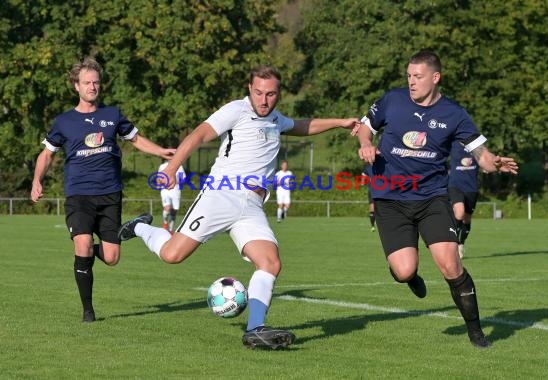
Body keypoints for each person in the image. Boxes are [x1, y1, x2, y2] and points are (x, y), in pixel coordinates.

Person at [118, 65, 360, 349]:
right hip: (221, 196)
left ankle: (255, 329)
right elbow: (198, 134)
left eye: (270, 94)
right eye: (258, 92)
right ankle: (140, 227)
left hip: (253, 205)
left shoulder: (275, 119)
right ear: (249, 90)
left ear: (278, 94)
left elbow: (302, 126)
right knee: (172, 255)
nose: (264, 100)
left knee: (270, 262)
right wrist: (172, 167)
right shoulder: (236, 110)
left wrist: (340, 122)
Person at [355, 49, 518, 349]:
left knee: (450, 266)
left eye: (417, 76)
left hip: (431, 198)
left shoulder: (455, 114)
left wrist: (493, 162)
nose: (411, 82)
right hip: (390, 199)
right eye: (408, 76)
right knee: (404, 270)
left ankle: (476, 333)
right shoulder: (392, 100)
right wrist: (366, 144)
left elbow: (481, 155)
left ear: (435, 77)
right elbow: (365, 128)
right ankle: (409, 276)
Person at [30, 57, 175, 323]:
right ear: (76, 86)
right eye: (87, 83)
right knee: (83, 243)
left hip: (110, 194)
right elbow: (46, 154)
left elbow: (137, 139)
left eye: (96, 83)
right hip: (79, 195)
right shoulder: (64, 121)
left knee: (111, 257)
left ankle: (125, 231)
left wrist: (161, 151)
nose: (92, 87)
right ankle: (88, 311)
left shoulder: (112, 115)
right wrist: (37, 179)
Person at [448, 140, 479, 259]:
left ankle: (461, 243)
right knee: (459, 213)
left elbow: (485, 160)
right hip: (455, 185)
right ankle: (453, 243)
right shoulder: (452, 143)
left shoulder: (477, 145)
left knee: (467, 218)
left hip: (471, 188)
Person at [157, 161, 186, 233]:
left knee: (174, 211)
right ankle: (165, 223)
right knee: (167, 208)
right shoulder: (162, 166)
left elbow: (183, 179)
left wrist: (174, 180)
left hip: (175, 190)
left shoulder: (179, 166)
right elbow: (159, 177)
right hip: (165, 189)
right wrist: (159, 184)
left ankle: (170, 229)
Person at [362, 164, 376, 232]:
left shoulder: (383, 165)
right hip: (372, 191)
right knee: (372, 208)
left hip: (383, 190)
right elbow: (363, 175)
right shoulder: (368, 167)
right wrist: (362, 182)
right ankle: (372, 226)